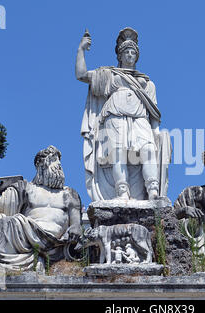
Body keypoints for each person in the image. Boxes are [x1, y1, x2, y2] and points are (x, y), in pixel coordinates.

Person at [76, 27, 169, 201]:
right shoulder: (109, 75)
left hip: (140, 118)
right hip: (114, 117)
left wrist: (157, 132)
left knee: (148, 151)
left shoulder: (147, 83)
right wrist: (81, 50)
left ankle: (153, 191)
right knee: (118, 154)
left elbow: (154, 113)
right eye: (126, 51)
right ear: (120, 55)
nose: (130, 55)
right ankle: (122, 192)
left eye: (133, 52)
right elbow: (81, 75)